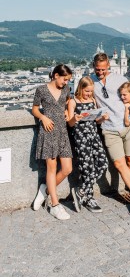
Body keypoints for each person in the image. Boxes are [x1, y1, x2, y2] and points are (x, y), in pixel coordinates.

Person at [91, 53, 130, 216]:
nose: (100, 72)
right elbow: (81, 97)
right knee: (119, 164)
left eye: (103, 69)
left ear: (108, 65)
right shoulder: (91, 81)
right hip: (109, 129)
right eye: (97, 69)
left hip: (127, 125)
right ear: (93, 66)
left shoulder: (119, 78)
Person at [32, 64, 73, 220]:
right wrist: (43, 117)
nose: (66, 83)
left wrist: (67, 113)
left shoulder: (66, 90)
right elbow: (35, 109)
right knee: (52, 167)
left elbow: (68, 102)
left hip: (62, 131)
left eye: (68, 80)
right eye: (65, 79)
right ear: (56, 75)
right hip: (48, 132)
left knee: (67, 168)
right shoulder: (41, 90)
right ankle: (55, 205)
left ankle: (45, 190)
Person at [68, 76, 109, 213]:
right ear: (80, 88)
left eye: (91, 91)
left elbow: (96, 121)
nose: (89, 94)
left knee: (103, 163)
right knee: (87, 168)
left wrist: (102, 118)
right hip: (81, 138)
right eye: (87, 91)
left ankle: (81, 190)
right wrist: (76, 118)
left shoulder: (92, 100)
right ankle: (88, 198)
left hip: (94, 136)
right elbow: (70, 123)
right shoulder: (73, 102)